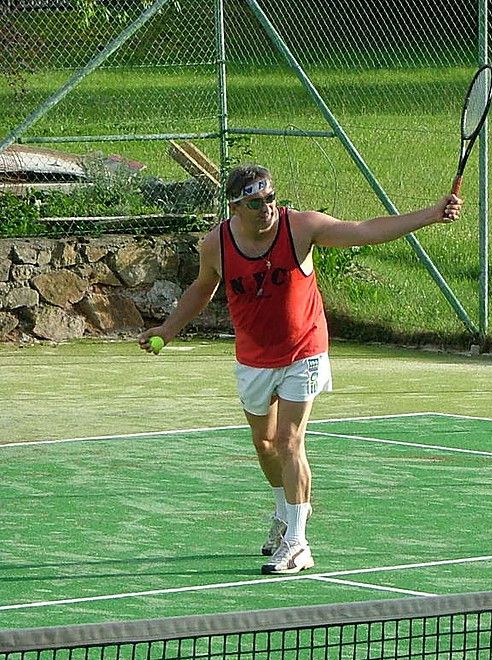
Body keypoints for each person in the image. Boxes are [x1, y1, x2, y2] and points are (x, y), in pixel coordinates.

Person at [139, 164, 462, 575]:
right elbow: (203, 288)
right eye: (255, 202)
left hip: (304, 350)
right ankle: (285, 512)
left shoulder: (301, 228)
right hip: (254, 358)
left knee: (291, 441)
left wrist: (430, 214)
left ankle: (297, 543)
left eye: (270, 198)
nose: (266, 208)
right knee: (265, 444)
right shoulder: (215, 246)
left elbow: (364, 230)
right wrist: (167, 330)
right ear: (235, 207)